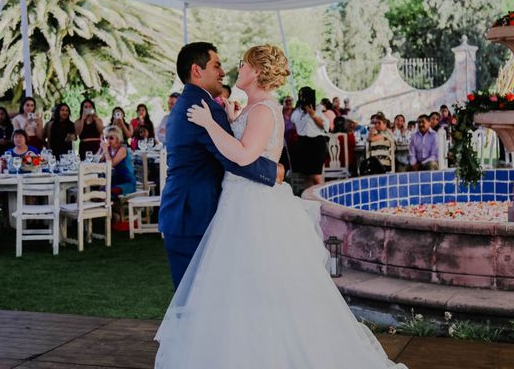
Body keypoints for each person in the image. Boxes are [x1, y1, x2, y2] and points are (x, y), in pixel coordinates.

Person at [155, 44, 406, 369]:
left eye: (241, 64)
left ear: (256, 71)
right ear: (196, 70)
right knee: (228, 290)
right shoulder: (208, 106)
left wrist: (267, 166)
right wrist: (268, 167)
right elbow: (233, 153)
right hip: (213, 206)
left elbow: (241, 155)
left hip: (243, 205)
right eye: (218, 64)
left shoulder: (242, 108)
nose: (229, 69)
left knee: (247, 286)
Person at [158, 42, 279, 290]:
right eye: (217, 65)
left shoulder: (193, 103)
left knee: (199, 297)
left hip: (188, 210)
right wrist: (273, 171)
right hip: (192, 214)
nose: (224, 72)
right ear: (197, 70)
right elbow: (232, 159)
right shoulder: (201, 107)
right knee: (194, 298)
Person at [291, 86, 329, 188]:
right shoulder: (297, 111)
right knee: (306, 176)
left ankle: (321, 197)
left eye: (303, 95)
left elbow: (325, 127)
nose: (302, 97)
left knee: (316, 176)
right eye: (300, 95)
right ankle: (309, 200)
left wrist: (313, 115)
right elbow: (293, 123)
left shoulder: (318, 110)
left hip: (317, 144)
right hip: (303, 143)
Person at [100, 126, 136, 200]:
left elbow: (111, 164)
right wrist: (102, 150)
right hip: (114, 181)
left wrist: (106, 151)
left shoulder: (122, 149)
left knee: (109, 192)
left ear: (118, 138)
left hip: (126, 182)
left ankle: (115, 210)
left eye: (111, 138)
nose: (108, 140)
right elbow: (99, 161)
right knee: (99, 191)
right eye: (106, 138)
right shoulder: (109, 148)